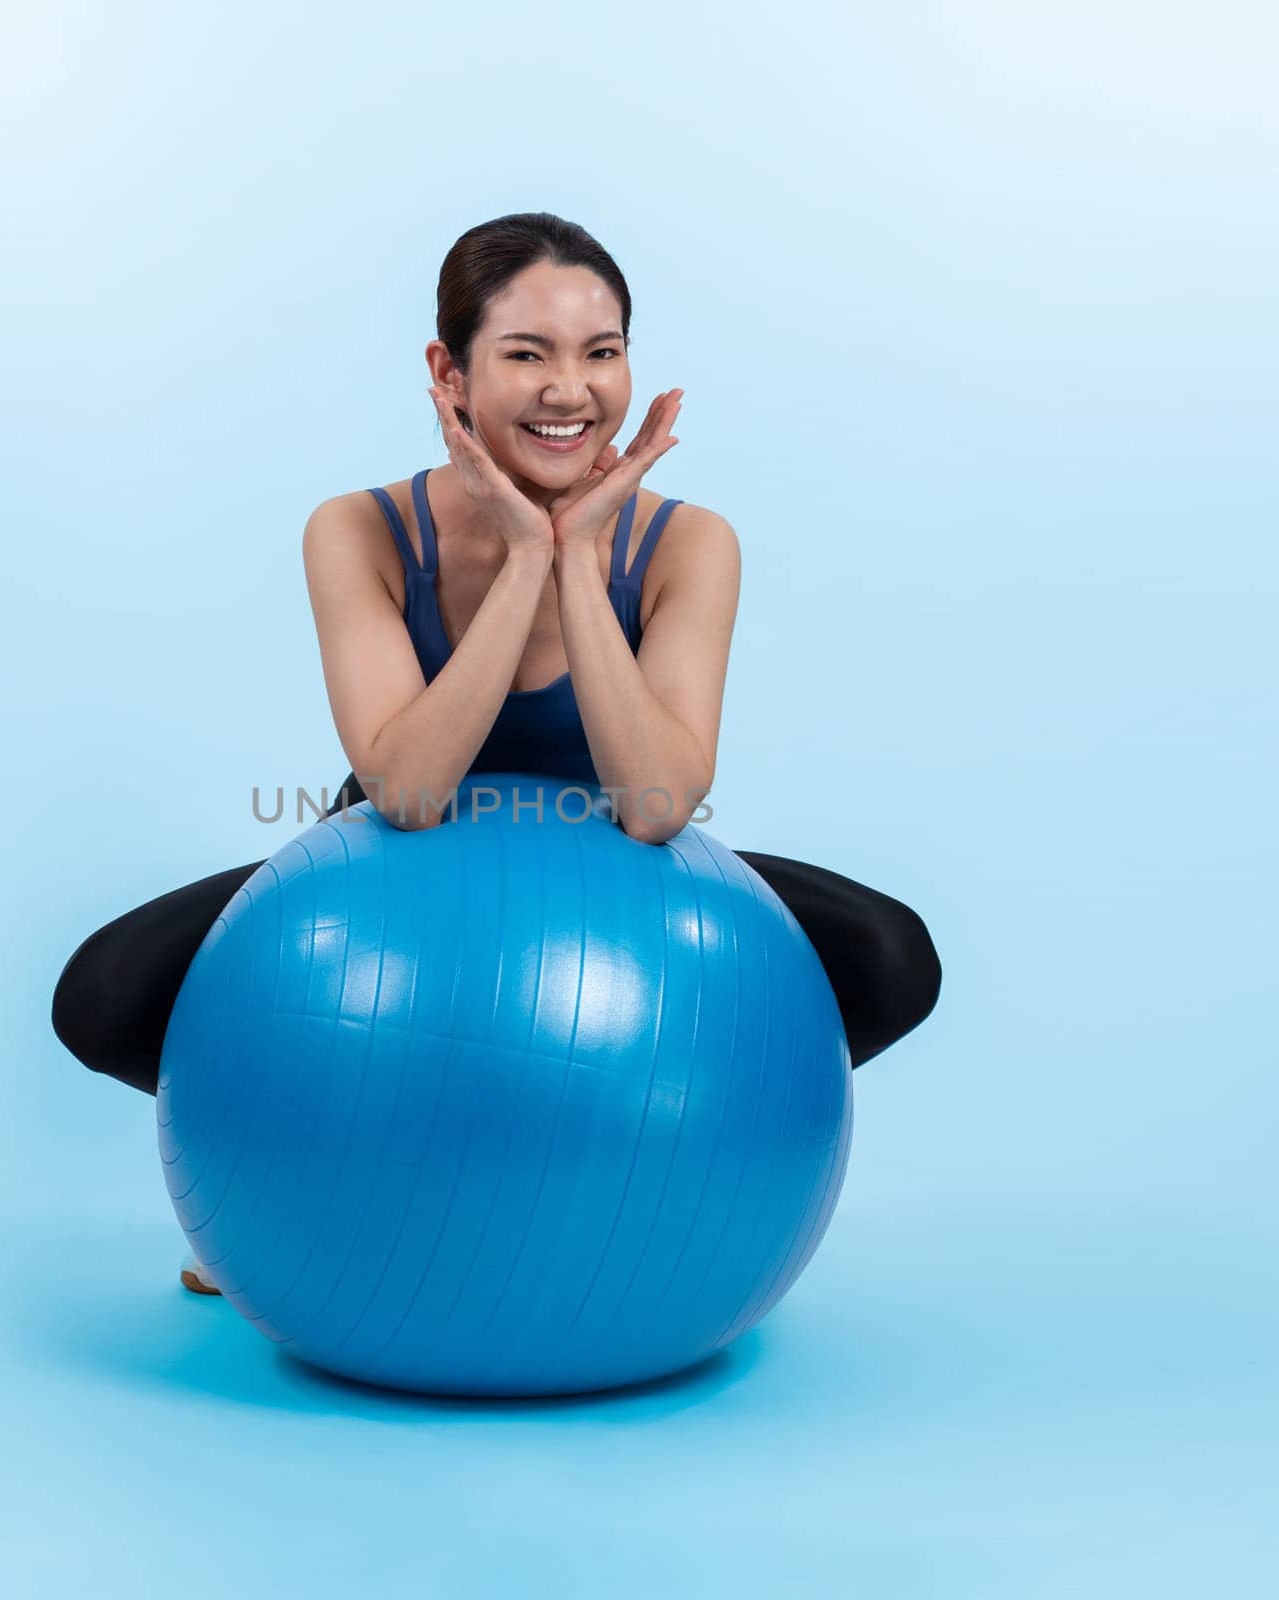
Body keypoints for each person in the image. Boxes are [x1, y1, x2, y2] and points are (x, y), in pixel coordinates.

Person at [50, 212, 942, 1296]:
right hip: (392, 873)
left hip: (613, 864)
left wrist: (581, 560)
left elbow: (657, 800)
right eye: (526, 354)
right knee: (100, 994)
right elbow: (410, 789)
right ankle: (294, 1199)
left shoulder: (688, 543)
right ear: (450, 372)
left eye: (600, 352)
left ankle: (629, 1183)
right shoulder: (359, 531)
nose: (571, 389)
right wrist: (527, 548)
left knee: (893, 958)